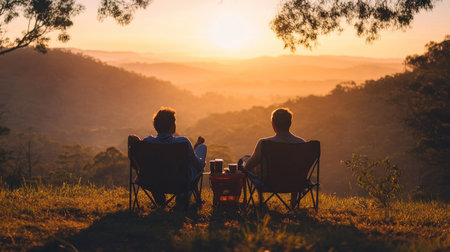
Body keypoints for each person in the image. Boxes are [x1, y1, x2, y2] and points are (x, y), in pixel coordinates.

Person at [143, 107, 207, 207]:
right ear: (172, 126)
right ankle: (183, 196)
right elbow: (197, 165)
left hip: (155, 182)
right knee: (202, 148)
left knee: (189, 161)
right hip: (180, 183)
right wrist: (201, 162)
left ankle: (160, 199)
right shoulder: (183, 142)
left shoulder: (147, 142)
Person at [241, 107, 304, 207]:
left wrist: (244, 164)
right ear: (290, 123)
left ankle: (258, 200)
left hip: (268, 183)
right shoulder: (300, 143)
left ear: (273, 124)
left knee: (245, 161)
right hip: (294, 183)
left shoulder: (264, 143)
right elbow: (301, 167)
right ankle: (293, 203)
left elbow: (249, 166)